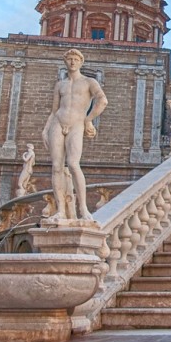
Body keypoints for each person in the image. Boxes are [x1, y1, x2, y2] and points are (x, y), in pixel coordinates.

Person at [42, 49, 108, 221]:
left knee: (72, 163)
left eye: (76, 59)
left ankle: (83, 208)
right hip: (57, 122)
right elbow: (54, 110)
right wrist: (45, 128)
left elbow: (103, 100)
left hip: (77, 123)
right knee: (57, 167)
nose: (72, 62)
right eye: (69, 59)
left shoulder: (89, 82)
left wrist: (88, 120)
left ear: (81, 62)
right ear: (65, 61)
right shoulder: (60, 85)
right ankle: (61, 211)